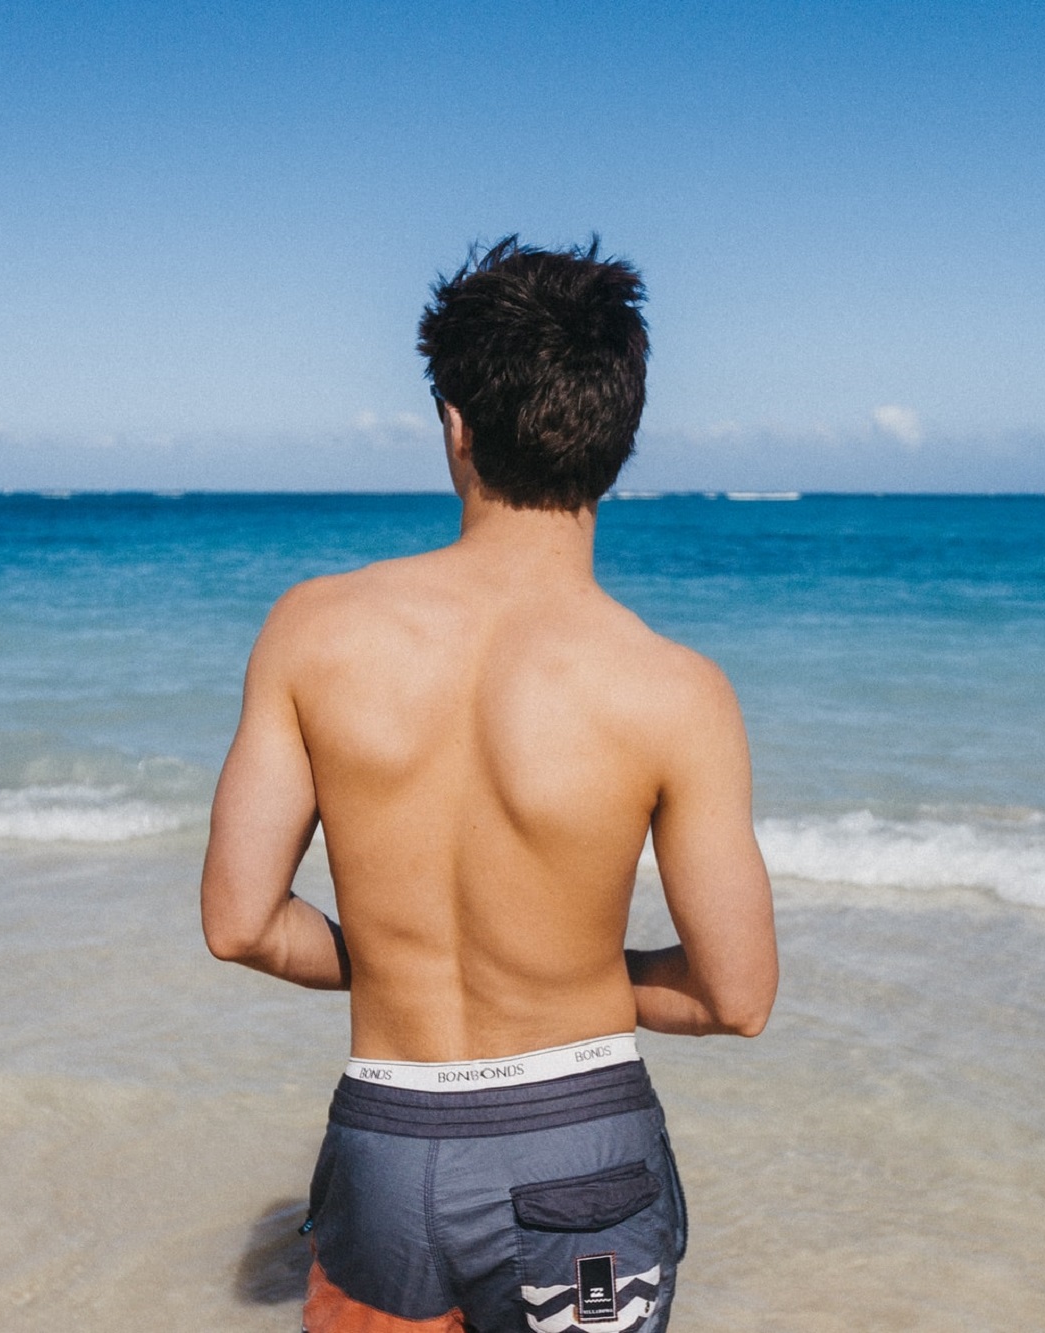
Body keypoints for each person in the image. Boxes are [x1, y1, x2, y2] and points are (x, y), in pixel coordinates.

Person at [201, 236, 778, 1333]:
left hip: (385, 1149)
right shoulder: (674, 689)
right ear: (621, 437)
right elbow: (733, 996)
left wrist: (403, 960)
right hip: (583, 1152)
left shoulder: (311, 631)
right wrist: (566, 973)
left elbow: (239, 924)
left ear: (454, 423)